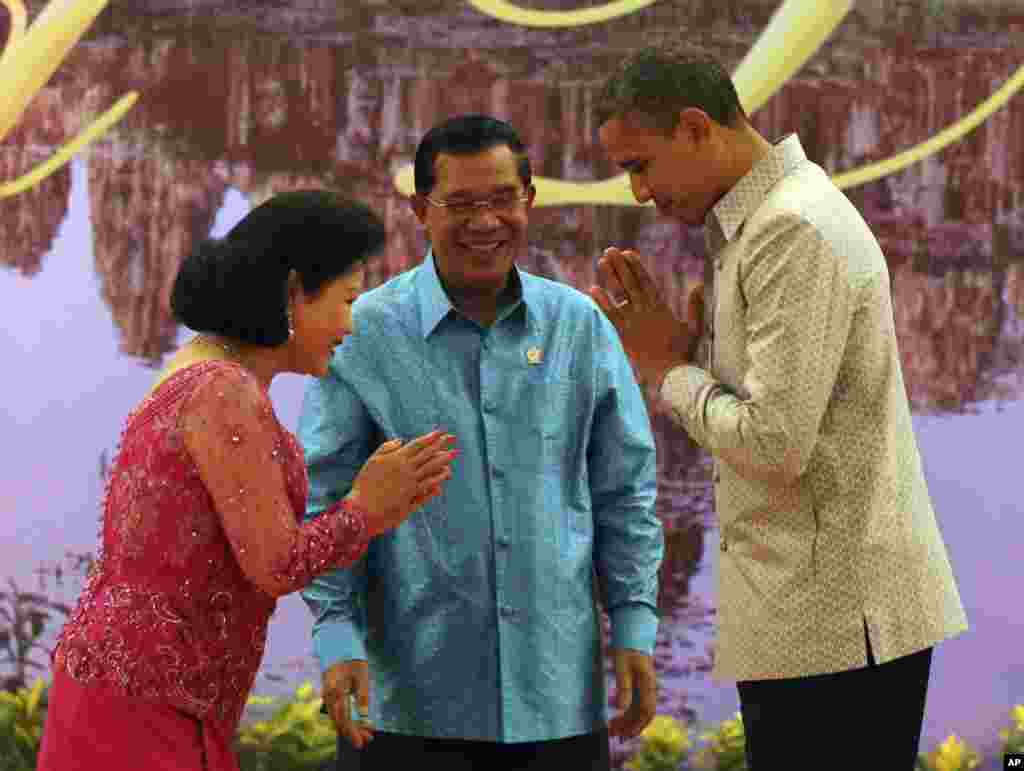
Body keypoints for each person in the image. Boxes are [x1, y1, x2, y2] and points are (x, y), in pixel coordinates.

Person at [589, 43, 969, 770]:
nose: (637, 192)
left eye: (640, 164)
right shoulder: (760, 222)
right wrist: (692, 360)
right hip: (821, 619)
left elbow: (772, 443)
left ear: (697, 127)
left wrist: (667, 368)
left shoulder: (789, 229)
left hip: (839, 626)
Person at [36, 191, 457, 771]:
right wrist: (367, 507)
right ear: (292, 294)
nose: (349, 324)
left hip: (142, 693)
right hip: (148, 706)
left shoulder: (203, 371)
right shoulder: (222, 391)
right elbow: (275, 563)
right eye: (345, 300)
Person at [298, 115, 663, 771]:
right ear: (420, 210)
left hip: (555, 700)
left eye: (501, 200)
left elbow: (623, 492)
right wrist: (335, 634)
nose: (485, 222)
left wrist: (634, 622)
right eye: (461, 204)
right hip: (408, 702)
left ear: (530, 200)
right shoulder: (366, 334)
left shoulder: (578, 327)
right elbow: (325, 498)